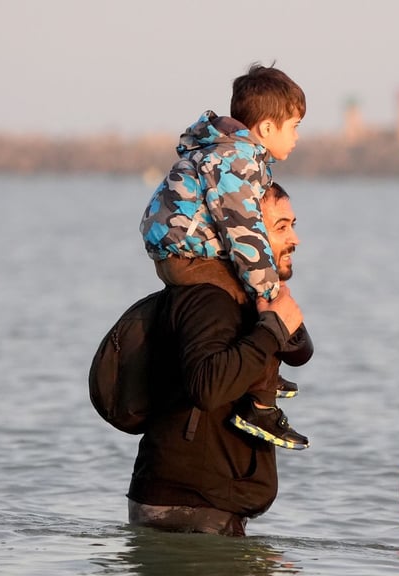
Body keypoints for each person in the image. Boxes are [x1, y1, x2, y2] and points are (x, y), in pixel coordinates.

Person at [139, 63, 310, 449]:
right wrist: (270, 295)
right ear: (267, 128)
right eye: (294, 126)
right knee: (262, 300)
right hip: (189, 257)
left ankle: (259, 374)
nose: (298, 137)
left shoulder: (229, 154)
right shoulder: (237, 163)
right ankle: (259, 404)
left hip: (181, 252)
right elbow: (245, 235)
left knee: (257, 290)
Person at [127, 185, 306, 536]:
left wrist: (272, 309)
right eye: (281, 226)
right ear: (246, 233)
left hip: (206, 509)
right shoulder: (209, 299)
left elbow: (299, 351)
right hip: (190, 512)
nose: (295, 238)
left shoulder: (242, 296)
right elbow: (208, 387)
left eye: (293, 225)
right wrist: (271, 331)